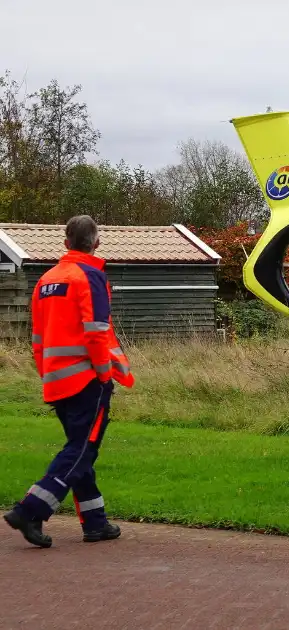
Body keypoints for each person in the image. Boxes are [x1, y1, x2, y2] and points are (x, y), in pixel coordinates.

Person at [4, 215, 134, 548]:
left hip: (55, 379)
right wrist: (105, 376)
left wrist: (46, 373)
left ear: (65, 243)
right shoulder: (91, 276)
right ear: (96, 243)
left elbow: (36, 339)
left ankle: (95, 522)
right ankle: (30, 509)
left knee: (80, 451)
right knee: (81, 450)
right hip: (86, 380)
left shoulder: (46, 280)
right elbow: (96, 333)